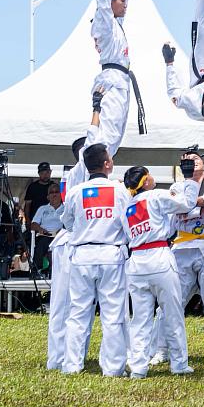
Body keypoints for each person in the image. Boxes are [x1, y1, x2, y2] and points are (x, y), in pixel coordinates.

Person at [150, 147, 204, 368]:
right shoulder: (176, 187)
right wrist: (193, 203)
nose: (193, 162)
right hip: (183, 248)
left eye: (196, 159)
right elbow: (176, 209)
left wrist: (196, 202)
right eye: (188, 160)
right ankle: (161, 348)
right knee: (171, 301)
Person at [123, 160, 198, 378]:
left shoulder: (127, 206)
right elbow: (187, 204)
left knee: (140, 318)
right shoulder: (155, 196)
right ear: (146, 180)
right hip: (159, 257)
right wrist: (190, 179)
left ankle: (138, 367)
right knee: (172, 312)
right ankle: (179, 363)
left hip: (136, 261)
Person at [61, 143, 129, 376]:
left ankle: (72, 365)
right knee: (113, 313)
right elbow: (127, 223)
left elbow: (68, 223)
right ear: (107, 164)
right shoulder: (120, 191)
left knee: (78, 312)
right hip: (111, 254)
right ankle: (112, 368)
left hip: (82, 254)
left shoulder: (75, 191)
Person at [79, 0, 147, 148]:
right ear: (111, 4)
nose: (126, 5)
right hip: (112, 81)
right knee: (108, 136)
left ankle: (101, 167)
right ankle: (96, 171)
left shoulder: (116, 23)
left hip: (120, 81)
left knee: (116, 136)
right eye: (122, 1)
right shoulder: (105, 22)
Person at [30, 183, 63, 276]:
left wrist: (62, 230)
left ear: (61, 195)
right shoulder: (42, 209)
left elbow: (71, 224)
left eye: (57, 192)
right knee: (42, 243)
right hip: (45, 235)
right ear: (48, 196)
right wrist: (40, 229)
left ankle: (55, 271)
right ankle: (37, 270)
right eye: (51, 192)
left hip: (61, 236)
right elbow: (33, 224)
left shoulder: (66, 209)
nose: (54, 194)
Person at [23, 163, 55, 229]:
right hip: (35, 222)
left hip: (51, 221)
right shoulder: (33, 187)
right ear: (39, 174)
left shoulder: (54, 186)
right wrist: (28, 221)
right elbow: (27, 206)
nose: (45, 175)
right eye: (43, 173)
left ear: (50, 172)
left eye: (47, 172)